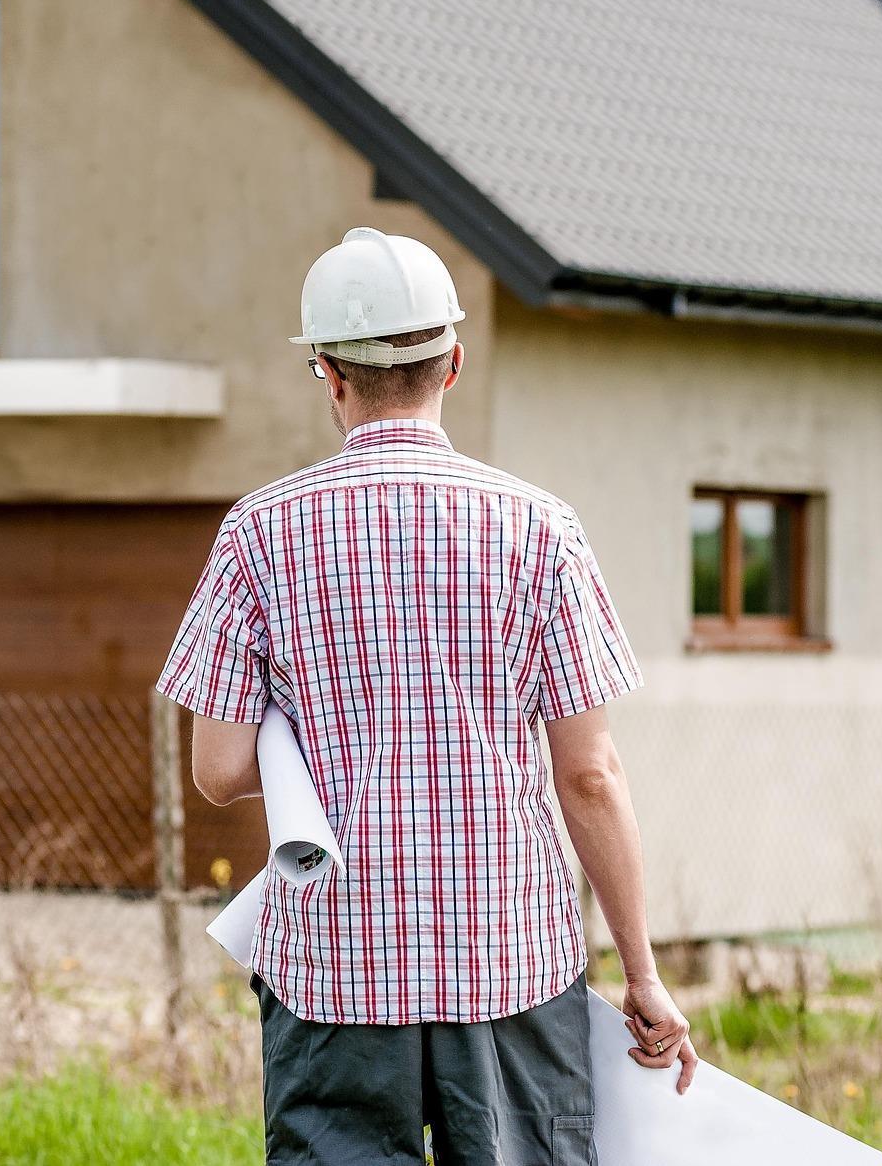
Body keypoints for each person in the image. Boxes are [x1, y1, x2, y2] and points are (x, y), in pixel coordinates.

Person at [156, 226, 695, 1165]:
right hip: (510, 967)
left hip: (332, 975)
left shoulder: (258, 534)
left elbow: (218, 768)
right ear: (453, 361)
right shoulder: (540, 529)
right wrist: (642, 974)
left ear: (327, 374)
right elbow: (593, 777)